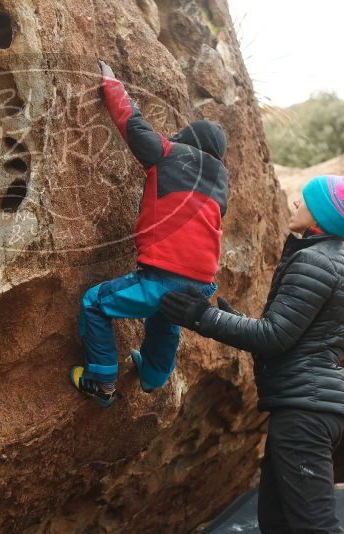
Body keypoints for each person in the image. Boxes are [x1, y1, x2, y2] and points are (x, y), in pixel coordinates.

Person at [160, 175, 344, 532]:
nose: (296, 205)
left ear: (320, 217)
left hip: (306, 412)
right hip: (309, 406)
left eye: (305, 201)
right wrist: (232, 319)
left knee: (312, 525)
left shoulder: (315, 260)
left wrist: (200, 315)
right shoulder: (332, 258)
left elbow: (273, 337)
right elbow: (300, 336)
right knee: (276, 519)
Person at [68, 59, 229, 407]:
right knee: (165, 320)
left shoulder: (170, 154)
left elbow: (132, 124)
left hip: (162, 277)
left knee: (95, 304)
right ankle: (154, 378)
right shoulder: (222, 184)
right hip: (199, 287)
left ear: (189, 139)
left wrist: (111, 83)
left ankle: (102, 382)